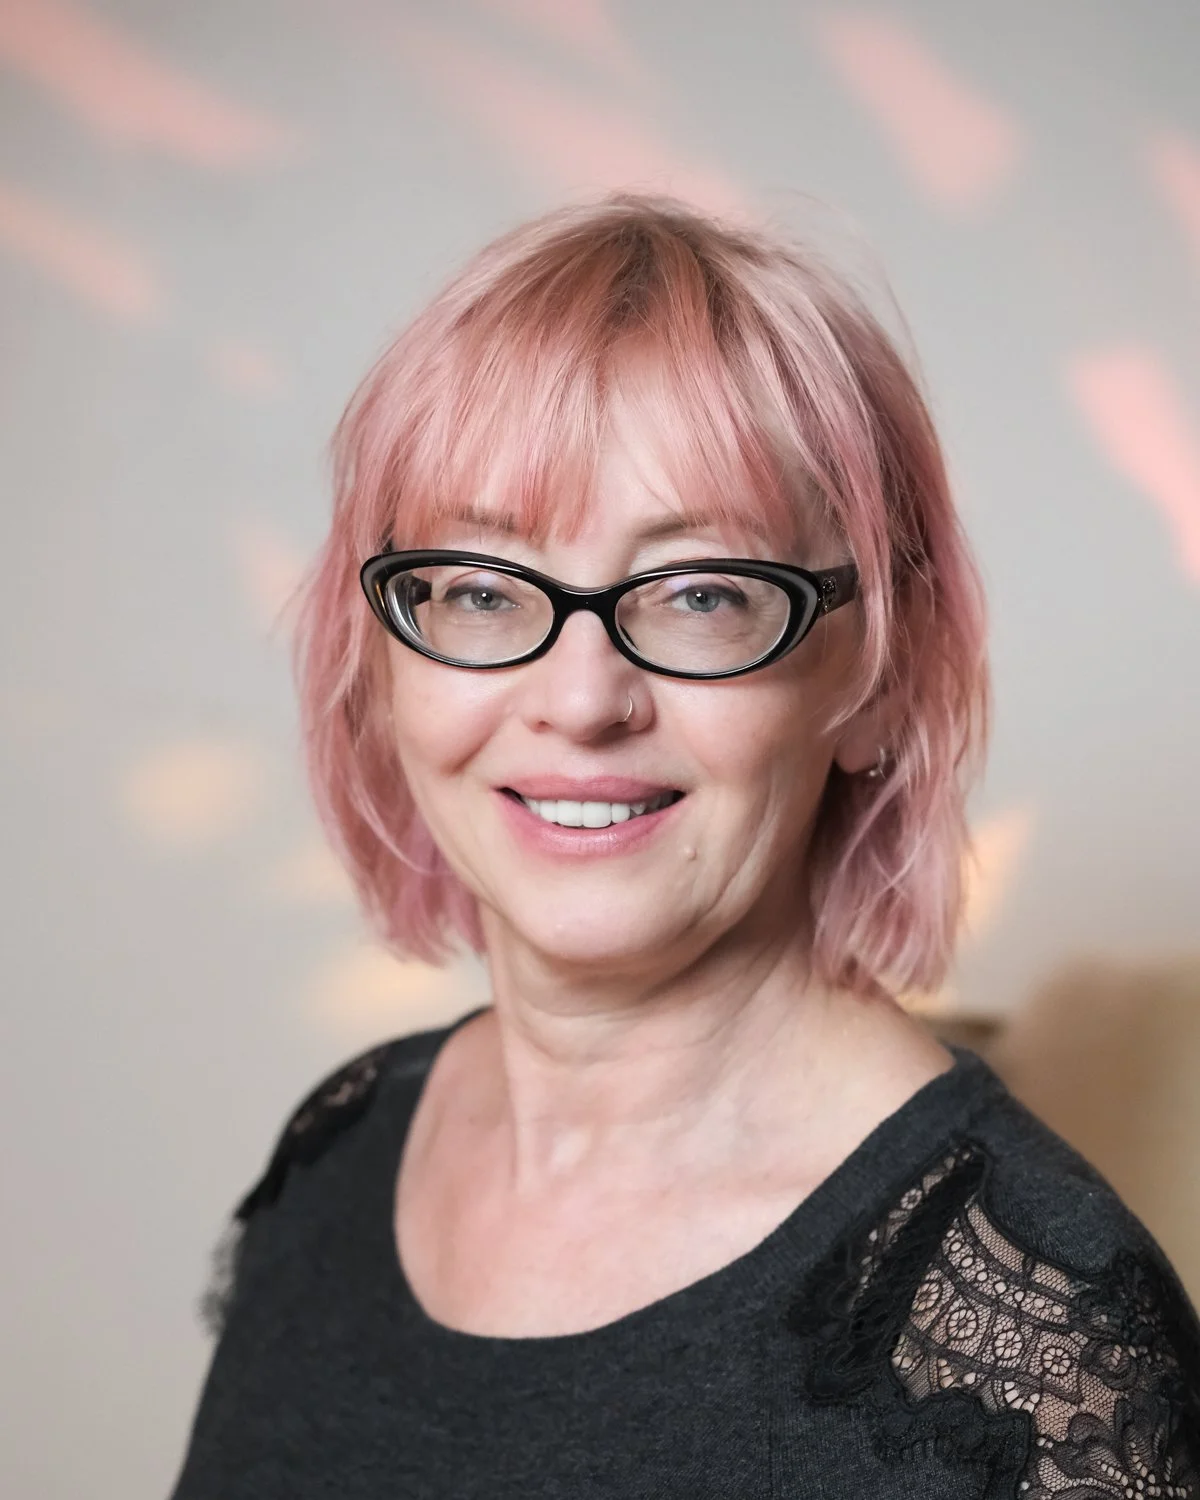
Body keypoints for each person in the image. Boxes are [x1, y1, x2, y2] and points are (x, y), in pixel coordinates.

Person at [169, 195, 1200, 1499]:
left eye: (702, 592)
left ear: (877, 674)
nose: (582, 699)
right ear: (379, 654)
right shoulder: (342, 1149)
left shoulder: (1036, 1338)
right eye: (482, 588)